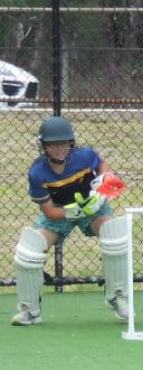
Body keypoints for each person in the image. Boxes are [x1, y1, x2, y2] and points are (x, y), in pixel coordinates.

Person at [11, 116, 128, 325]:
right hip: (60, 212)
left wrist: (105, 180)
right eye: (53, 144)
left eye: (64, 143)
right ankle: (30, 310)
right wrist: (74, 212)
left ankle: (117, 297)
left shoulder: (84, 156)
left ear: (71, 143)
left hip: (93, 207)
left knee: (115, 233)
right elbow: (49, 212)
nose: (59, 149)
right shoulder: (37, 173)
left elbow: (102, 164)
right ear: (43, 146)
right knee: (29, 249)